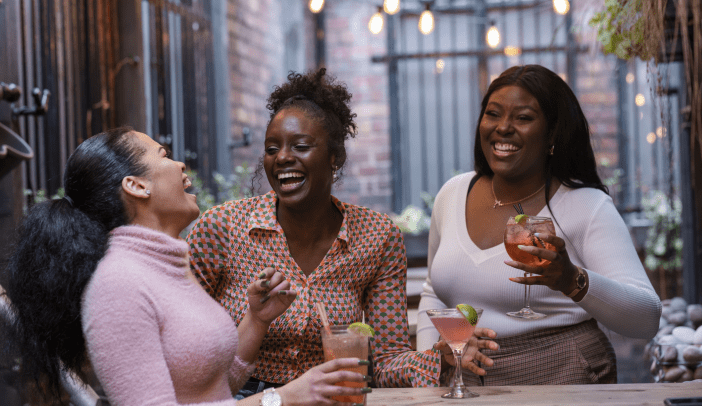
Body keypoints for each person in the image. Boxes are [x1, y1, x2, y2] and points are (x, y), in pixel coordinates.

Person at [3, 127, 370, 405]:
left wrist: (256, 320)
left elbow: (213, 388)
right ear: (136, 185)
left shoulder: (171, 264)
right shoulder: (118, 286)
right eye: (163, 155)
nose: (179, 163)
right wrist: (281, 398)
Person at [187, 68, 498, 394]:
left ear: (335, 158)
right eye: (271, 148)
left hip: (333, 397)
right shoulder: (220, 229)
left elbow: (386, 362)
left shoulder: (376, 237)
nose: (282, 158)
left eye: (301, 146)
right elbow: (184, 337)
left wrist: (442, 358)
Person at [417, 64, 662, 385]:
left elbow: (645, 319)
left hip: (563, 378)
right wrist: (430, 362)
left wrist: (572, 279)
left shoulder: (586, 206)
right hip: (469, 384)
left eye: (523, 117)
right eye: (493, 113)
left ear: (552, 135)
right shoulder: (453, 193)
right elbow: (434, 292)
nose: (503, 127)